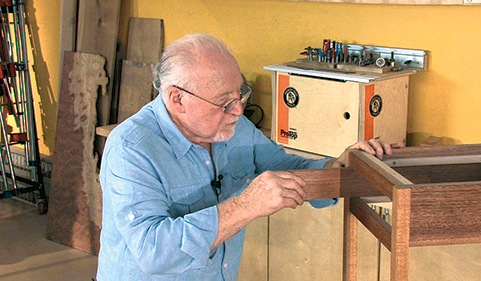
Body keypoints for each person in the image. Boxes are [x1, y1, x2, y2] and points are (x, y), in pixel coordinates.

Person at [97, 34, 394, 281]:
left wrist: (337, 166)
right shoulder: (131, 149)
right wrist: (246, 205)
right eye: (224, 102)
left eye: (240, 94)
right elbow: (153, 250)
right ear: (177, 99)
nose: (238, 110)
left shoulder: (236, 129)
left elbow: (287, 168)